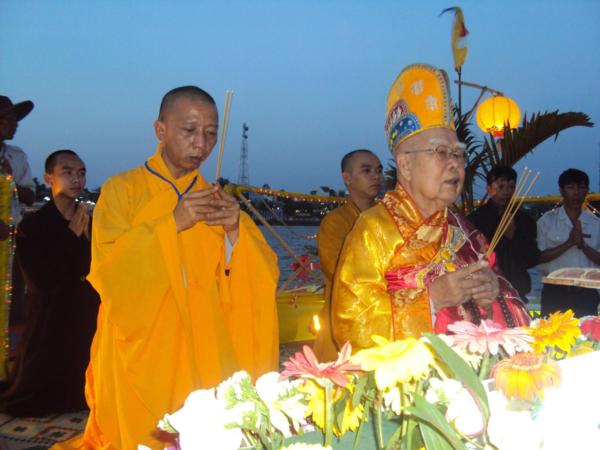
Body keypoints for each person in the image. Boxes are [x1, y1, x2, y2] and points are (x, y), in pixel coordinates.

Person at [58, 86, 279, 449]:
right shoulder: (122, 190)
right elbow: (109, 269)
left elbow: (258, 275)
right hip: (143, 339)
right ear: (160, 130)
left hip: (205, 337)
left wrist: (234, 231)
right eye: (189, 130)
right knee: (142, 434)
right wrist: (172, 222)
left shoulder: (217, 199)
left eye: (210, 133)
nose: (201, 143)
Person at [331, 63, 530, 351]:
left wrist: (494, 291)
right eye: (440, 152)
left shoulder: (465, 231)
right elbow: (350, 323)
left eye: (458, 154)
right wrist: (432, 299)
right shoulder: (374, 229)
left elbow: (505, 294)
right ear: (405, 165)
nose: (455, 164)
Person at [0, 150, 99, 416]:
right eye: (67, 172)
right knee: (34, 396)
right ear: (49, 177)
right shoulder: (33, 225)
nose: (76, 178)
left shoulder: (89, 221)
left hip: (84, 311)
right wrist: (70, 237)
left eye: (81, 173)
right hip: (50, 314)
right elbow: (41, 279)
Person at [313, 149, 383, 361]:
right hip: (344, 320)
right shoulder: (334, 223)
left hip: (384, 317)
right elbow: (340, 274)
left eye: (378, 170)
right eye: (366, 170)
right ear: (347, 178)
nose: (375, 176)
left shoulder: (387, 218)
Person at [468, 165, 540, 301]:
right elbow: (470, 257)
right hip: (485, 291)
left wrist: (513, 237)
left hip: (517, 290)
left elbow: (532, 259)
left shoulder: (525, 220)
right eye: (500, 187)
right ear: (489, 189)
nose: (506, 192)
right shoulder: (475, 219)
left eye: (511, 187)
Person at [536, 168, 600, 317]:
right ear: (561, 190)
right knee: (551, 331)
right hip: (555, 291)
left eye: (581, 187)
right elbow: (538, 257)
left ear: (587, 191)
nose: (576, 192)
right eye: (571, 187)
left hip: (586, 292)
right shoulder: (547, 221)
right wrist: (569, 243)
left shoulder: (596, 223)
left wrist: (583, 245)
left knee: (585, 332)